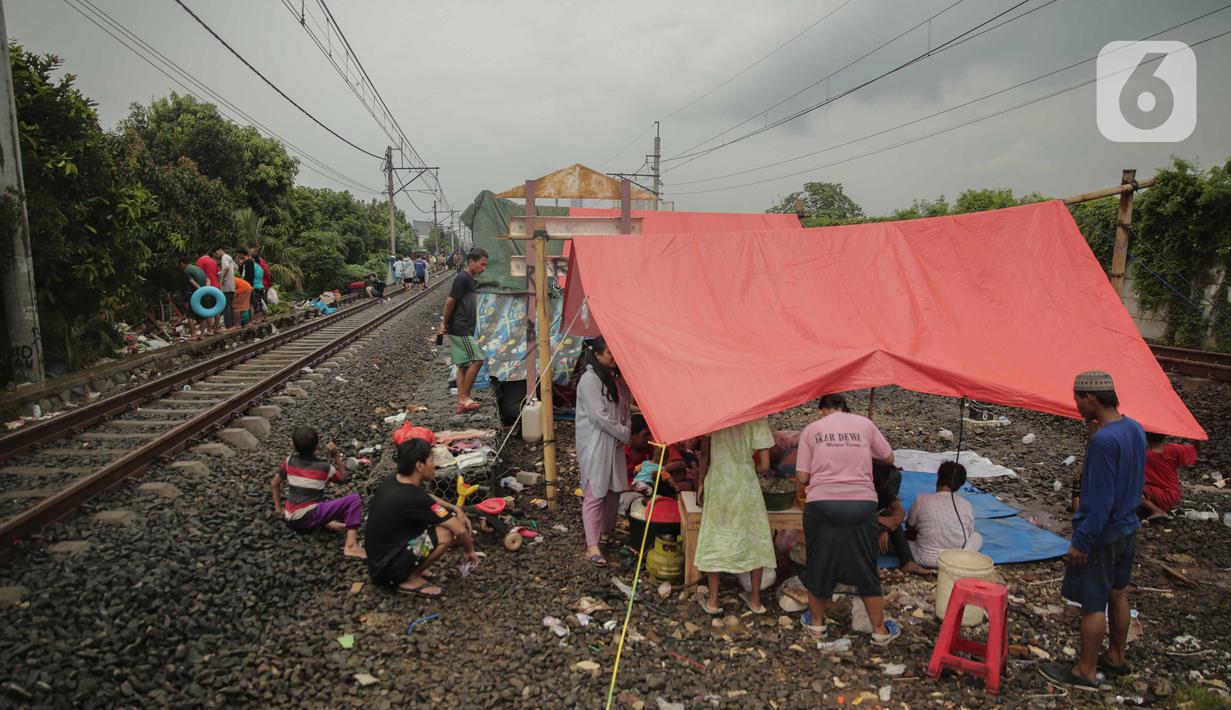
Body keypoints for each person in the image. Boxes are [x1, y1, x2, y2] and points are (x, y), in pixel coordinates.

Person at [1041, 371, 1145, 691]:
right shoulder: (1134, 428)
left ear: (1091, 398)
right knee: (1118, 592)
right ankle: (1115, 657)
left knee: (1093, 602)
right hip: (1128, 527)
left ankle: (1085, 670)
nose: (1076, 406)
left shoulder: (1103, 441)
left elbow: (1100, 499)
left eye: (1077, 399)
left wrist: (1082, 540)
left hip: (1102, 535)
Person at [794, 393, 900, 645]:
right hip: (861, 503)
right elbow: (889, 458)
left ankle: (817, 625)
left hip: (822, 504)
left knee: (819, 562)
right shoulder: (864, 424)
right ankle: (879, 630)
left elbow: (802, 477)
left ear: (821, 410)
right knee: (866, 565)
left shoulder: (812, 430)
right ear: (844, 408)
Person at [364, 438, 479, 596]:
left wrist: (455, 509)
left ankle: (410, 567)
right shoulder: (413, 497)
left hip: (380, 560)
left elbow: (427, 497)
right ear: (419, 466)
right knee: (446, 533)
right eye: (431, 460)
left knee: (439, 522)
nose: (435, 465)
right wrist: (469, 550)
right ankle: (410, 578)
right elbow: (459, 529)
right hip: (387, 570)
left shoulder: (395, 479)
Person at [694, 416, 777, 616]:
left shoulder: (715, 414)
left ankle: (713, 601)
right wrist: (748, 468)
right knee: (755, 537)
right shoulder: (757, 417)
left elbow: (704, 453)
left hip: (719, 481)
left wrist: (701, 482)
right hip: (746, 483)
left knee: (716, 536)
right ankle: (755, 601)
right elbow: (765, 465)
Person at [575, 337, 631, 567]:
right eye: (610, 352)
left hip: (614, 441)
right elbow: (599, 416)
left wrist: (625, 429)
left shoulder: (614, 379)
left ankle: (605, 534)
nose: (614, 356)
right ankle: (592, 545)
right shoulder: (589, 380)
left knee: (614, 491)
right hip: (596, 443)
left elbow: (624, 409)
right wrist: (623, 433)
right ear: (597, 355)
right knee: (595, 491)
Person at [269, 426, 365, 559]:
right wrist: (336, 455)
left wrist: (278, 509)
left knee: (313, 501)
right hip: (307, 518)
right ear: (317, 446)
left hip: (290, 518)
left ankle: (327, 522)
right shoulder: (324, 467)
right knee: (354, 500)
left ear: (293, 446)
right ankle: (351, 546)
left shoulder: (288, 461)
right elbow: (343, 478)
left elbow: (274, 483)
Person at [904, 461, 983, 568]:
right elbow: (969, 533)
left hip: (924, 558)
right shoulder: (966, 504)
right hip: (956, 560)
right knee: (977, 537)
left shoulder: (921, 499)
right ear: (959, 486)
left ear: (939, 479)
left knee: (898, 539)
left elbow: (909, 526)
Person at [438, 248, 488, 414]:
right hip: (461, 327)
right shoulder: (462, 278)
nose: (484, 268)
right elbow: (450, 302)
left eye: (486, 265)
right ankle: (465, 398)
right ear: (471, 262)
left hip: (463, 327)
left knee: (464, 365)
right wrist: (444, 323)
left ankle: (461, 401)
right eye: (482, 264)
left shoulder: (470, 280)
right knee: (478, 360)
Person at [873, 463, 931, 576]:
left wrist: (885, 528)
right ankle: (868, 563)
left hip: (877, 526)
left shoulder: (883, 488)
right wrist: (881, 521)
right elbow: (855, 515)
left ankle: (907, 562)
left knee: (890, 515)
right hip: (860, 528)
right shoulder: (860, 489)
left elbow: (899, 511)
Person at [1139, 432, 1195, 522]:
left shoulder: (1145, 457)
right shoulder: (1173, 449)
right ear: (1165, 437)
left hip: (1161, 496)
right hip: (1174, 495)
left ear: (1146, 438)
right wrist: (1197, 439)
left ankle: (1157, 511)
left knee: (1132, 491)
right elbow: (1195, 449)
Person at [624, 414, 687, 494]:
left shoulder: (651, 448)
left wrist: (658, 469)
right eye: (645, 434)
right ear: (633, 435)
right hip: (627, 494)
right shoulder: (620, 452)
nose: (649, 438)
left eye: (649, 434)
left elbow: (681, 464)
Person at [179, 256, 212, 340]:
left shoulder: (186, 271)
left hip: (195, 295)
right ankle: (202, 335)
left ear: (182, 263)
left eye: (180, 264)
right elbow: (208, 280)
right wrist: (205, 289)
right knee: (203, 315)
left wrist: (200, 290)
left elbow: (193, 282)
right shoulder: (198, 268)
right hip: (204, 294)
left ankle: (193, 335)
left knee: (190, 315)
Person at [214, 246, 238, 330]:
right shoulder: (229, 257)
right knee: (230, 305)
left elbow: (226, 267)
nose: (216, 255)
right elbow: (236, 267)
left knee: (225, 305)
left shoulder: (224, 257)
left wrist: (222, 279)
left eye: (216, 253)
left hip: (226, 285)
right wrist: (231, 276)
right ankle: (233, 324)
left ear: (220, 250)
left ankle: (229, 326)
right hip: (231, 284)